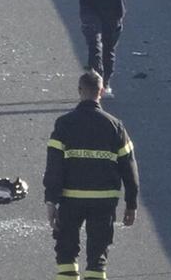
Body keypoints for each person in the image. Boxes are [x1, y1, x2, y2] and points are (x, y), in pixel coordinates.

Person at [44, 71, 139, 280]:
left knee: (66, 256)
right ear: (101, 92)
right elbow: (129, 167)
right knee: (97, 258)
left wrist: (51, 201)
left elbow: (54, 167)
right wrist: (131, 204)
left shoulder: (64, 124)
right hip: (103, 201)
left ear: (79, 91)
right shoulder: (115, 126)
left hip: (70, 200)